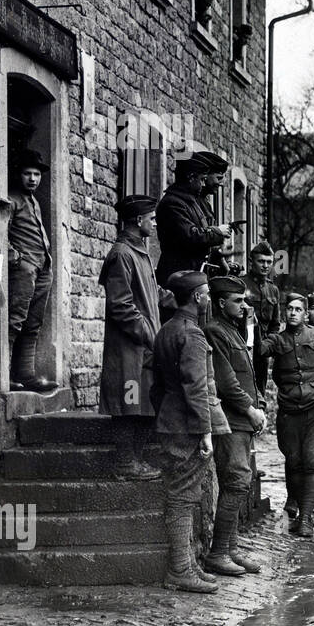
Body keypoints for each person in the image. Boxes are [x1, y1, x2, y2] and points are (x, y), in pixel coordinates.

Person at [150, 271, 230, 594]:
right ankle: (180, 568)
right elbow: (197, 389)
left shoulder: (166, 330)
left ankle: (187, 563)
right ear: (197, 297)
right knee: (183, 497)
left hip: (169, 422)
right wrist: (206, 432)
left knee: (182, 494)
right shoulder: (193, 335)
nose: (209, 298)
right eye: (207, 293)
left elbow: (157, 387)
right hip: (187, 427)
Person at [98, 195, 175, 480]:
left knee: (142, 402)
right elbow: (120, 305)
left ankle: (135, 461)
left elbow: (151, 294)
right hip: (129, 348)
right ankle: (125, 465)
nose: (155, 223)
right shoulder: (121, 254)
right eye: (151, 219)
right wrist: (149, 334)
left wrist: (182, 297)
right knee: (128, 405)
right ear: (137, 220)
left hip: (143, 348)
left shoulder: (139, 251)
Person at [202, 275, 266, 576]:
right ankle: (217, 553)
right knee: (237, 480)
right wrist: (251, 410)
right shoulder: (215, 331)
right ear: (220, 303)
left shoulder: (232, 330)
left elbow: (246, 374)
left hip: (242, 419)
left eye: (244, 300)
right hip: (229, 420)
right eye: (238, 301)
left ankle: (231, 549)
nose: (244, 306)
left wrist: (259, 404)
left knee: (240, 481)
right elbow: (226, 383)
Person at [265, 293, 314, 537]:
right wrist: (253, 322)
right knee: (294, 460)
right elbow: (259, 351)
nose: (293, 313)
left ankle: (307, 519)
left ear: (306, 313)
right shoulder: (278, 340)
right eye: (289, 308)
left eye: (298, 309)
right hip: (290, 409)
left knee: (312, 459)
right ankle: (300, 511)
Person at [7, 149, 57, 392]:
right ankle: (4, 377)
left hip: (42, 268)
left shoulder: (34, 200)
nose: (33, 179)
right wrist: (17, 259)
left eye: (37, 174)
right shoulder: (12, 199)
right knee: (15, 319)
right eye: (27, 173)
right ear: (19, 174)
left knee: (33, 323)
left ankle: (26, 374)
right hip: (24, 270)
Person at [154, 151, 234, 286]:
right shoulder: (172, 203)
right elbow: (190, 236)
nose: (203, 184)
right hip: (178, 278)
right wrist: (217, 232)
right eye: (202, 179)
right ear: (191, 177)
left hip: (193, 277)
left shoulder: (192, 202)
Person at [243, 241, 282, 400]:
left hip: (262, 351)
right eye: (261, 261)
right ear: (251, 262)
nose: (265, 266)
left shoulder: (273, 289)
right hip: (242, 346)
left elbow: (275, 325)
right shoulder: (240, 284)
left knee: (260, 391)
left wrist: (268, 345)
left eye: (269, 262)